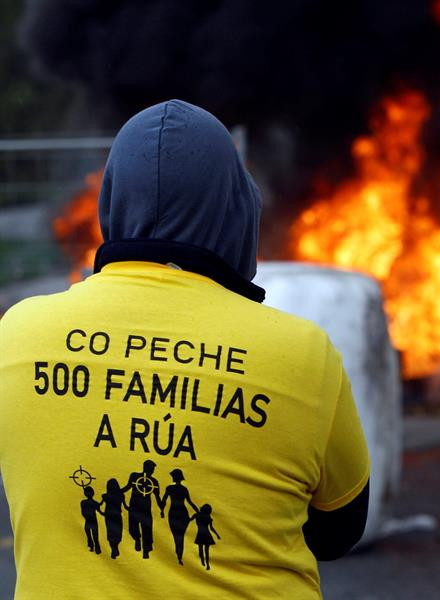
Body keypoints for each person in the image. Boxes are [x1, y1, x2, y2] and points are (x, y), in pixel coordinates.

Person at [0, 99, 370, 598]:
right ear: (235, 208)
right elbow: (339, 530)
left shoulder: (18, 335)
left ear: (112, 201)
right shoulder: (303, 354)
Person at [121, 459, 162, 559]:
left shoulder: (154, 482)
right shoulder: (134, 476)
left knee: (147, 530)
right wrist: (115, 492)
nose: (152, 470)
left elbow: (157, 497)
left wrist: (162, 508)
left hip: (146, 509)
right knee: (132, 528)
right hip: (134, 507)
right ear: (146, 467)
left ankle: (146, 551)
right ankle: (137, 539)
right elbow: (127, 487)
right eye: (151, 468)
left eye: (153, 469)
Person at [159, 468, 199, 565]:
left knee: (177, 537)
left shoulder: (170, 488)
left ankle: (179, 556)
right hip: (182, 513)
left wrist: (162, 510)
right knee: (180, 536)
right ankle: (179, 556)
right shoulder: (183, 489)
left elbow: (164, 500)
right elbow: (189, 502)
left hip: (174, 514)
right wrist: (198, 511)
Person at [100, 478, 129, 559]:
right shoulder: (120, 495)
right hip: (116, 515)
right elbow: (126, 506)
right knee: (117, 532)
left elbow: (100, 505)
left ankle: (114, 548)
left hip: (109, 515)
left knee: (111, 532)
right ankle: (114, 547)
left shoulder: (105, 496)